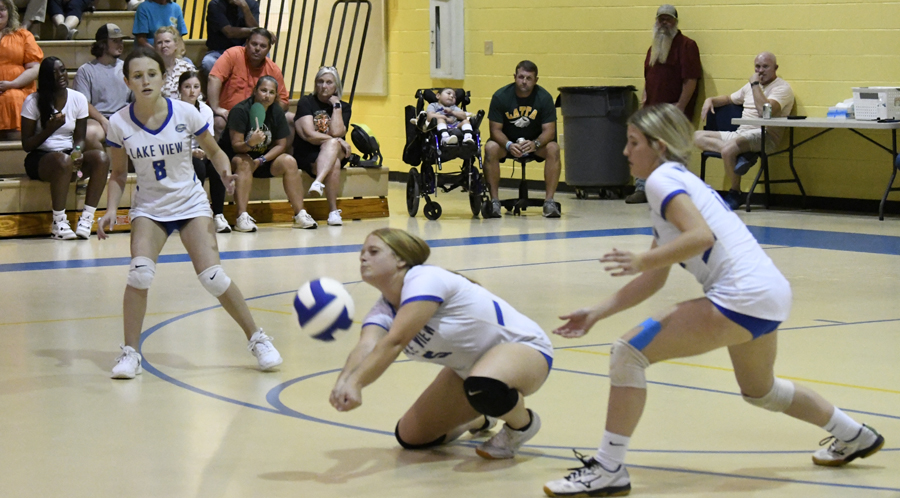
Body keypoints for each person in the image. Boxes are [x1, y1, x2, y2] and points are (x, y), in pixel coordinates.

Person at [541, 104, 885, 498]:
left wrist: (642, 258)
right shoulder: (676, 184)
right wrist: (598, 311)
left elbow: (699, 238)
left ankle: (608, 467)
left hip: (741, 295)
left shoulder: (662, 180)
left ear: (659, 146)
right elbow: (655, 277)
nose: (625, 152)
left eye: (633, 142)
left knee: (627, 354)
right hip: (767, 293)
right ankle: (853, 434)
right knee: (762, 391)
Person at [98, 46, 283, 379]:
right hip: (150, 209)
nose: (145, 81)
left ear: (163, 76)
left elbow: (215, 152)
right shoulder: (118, 123)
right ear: (127, 81)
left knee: (213, 277)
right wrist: (111, 209)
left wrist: (225, 173)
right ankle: (130, 353)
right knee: (139, 274)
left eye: (151, 74)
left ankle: (258, 339)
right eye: (137, 76)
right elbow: (116, 175)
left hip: (189, 204)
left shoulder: (186, 113)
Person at [330, 228, 553, 459]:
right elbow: (366, 346)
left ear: (401, 260)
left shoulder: (424, 279)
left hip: (526, 349)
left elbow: (394, 342)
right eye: (362, 252)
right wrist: (343, 381)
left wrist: (356, 383)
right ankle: (481, 417)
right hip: (468, 373)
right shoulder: (384, 308)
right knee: (410, 437)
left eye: (373, 251)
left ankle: (521, 426)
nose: (363, 257)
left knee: (484, 384)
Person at [20, 56, 109, 239]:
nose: (60, 75)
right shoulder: (33, 101)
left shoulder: (78, 98)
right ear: (45, 78)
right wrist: (50, 129)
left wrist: (78, 151)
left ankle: (86, 218)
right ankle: (58, 223)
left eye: (62, 70)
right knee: (63, 161)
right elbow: (27, 145)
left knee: (101, 158)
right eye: (53, 72)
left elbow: (80, 137)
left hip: (69, 159)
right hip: (41, 159)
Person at [693, 52, 793, 210]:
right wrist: (710, 100)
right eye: (757, 67)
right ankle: (741, 156)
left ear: (775, 68)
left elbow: (764, 113)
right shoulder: (748, 87)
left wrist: (755, 85)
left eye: (765, 67)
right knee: (697, 136)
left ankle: (735, 192)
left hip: (765, 136)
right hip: (741, 134)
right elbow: (728, 99)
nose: (760, 71)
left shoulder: (782, 88)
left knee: (728, 149)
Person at [221, 75, 316, 232]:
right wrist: (250, 143)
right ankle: (241, 217)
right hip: (237, 159)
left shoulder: (276, 111)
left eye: (271, 92)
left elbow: (281, 145)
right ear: (255, 91)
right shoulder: (240, 110)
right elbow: (236, 146)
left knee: (289, 161)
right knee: (244, 162)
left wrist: (262, 160)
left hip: (262, 160)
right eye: (263, 90)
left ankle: (300, 214)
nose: (267, 95)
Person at [627, 4, 701, 205]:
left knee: (670, 151)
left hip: (672, 111)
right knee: (645, 147)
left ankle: (672, 191)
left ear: (676, 22)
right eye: (661, 19)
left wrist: (680, 106)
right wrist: (644, 101)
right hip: (652, 110)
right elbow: (649, 78)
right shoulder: (654, 48)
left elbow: (691, 79)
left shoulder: (687, 46)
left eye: (668, 19)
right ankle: (642, 188)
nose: (664, 23)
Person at [483, 60, 560, 219]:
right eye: (521, 77)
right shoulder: (500, 96)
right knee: (490, 148)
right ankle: (495, 201)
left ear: (536, 80)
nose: (524, 81)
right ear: (515, 77)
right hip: (507, 143)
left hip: (535, 143)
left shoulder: (544, 98)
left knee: (554, 148)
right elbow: (495, 130)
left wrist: (535, 143)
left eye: (529, 78)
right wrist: (509, 144)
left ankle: (549, 202)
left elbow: (549, 131)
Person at [292, 66, 351, 227]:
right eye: (320, 81)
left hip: (333, 152)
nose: (324, 86)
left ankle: (318, 182)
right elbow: (310, 135)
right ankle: (332, 211)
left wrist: (336, 107)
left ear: (336, 86)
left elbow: (337, 131)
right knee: (335, 161)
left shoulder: (343, 107)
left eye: (328, 82)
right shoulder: (307, 102)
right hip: (309, 152)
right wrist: (337, 141)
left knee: (333, 147)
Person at [208, 28, 290, 137]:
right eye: (254, 44)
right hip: (228, 114)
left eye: (263, 46)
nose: (257, 49)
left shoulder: (273, 69)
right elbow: (214, 78)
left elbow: (284, 101)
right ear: (247, 43)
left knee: (291, 119)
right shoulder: (233, 54)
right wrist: (216, 108)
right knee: (219, 123)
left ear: (269, 48)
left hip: (259, 118)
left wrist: (265, 112)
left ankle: (280, 154)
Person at [73, 23, 131, 151]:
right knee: (88, 133)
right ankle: (103, 168)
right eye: (115, 41)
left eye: (121, 40)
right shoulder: (86, 70)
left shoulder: (128, 67)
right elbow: (83, 103)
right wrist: (104, 121)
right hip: (98, 119)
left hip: (125, 117)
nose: (120, 44)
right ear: (103, 44)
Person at [0, 0, 41, 141]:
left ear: (9, 12)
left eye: (2, 9)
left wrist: (13, 84)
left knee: (12, 97)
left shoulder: (23, 35)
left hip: (20, 88)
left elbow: (35, 68)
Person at [178, 70, 213, 190]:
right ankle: (196, 205)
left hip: (199, 152)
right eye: (187, 87)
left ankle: (218, 209)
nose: (192, 91)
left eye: (196, 87)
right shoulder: (172, 109)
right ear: (180, 89)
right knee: (198, 166)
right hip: (178, 153)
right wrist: (190, 152)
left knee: (216, 166)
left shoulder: (206, 110)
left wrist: (204, 152)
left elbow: (209, 141)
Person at [202, 0, 259, 74]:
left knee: (262, 50)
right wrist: (257, 31)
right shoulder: (215, 4)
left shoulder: (251, 4)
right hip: (219, 52)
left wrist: (244, 7)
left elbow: (257, 35)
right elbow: (229, 32)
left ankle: (257, 84)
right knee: (208, 62)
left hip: (244, 51)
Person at [154, 25, 195, 98]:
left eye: (167, 41)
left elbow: (196, 95)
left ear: (176, 45)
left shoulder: (187, 67)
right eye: (159, 42)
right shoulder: (151, 70)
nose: (163, 45)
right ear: (155, 47)